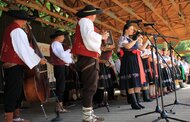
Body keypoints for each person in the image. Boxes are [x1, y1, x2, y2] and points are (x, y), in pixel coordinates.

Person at [0, 10, 46, 122]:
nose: (26, 22)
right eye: (26, 20)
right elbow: (24, 50)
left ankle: (16, 117)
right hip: (14, 65)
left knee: (17, 91)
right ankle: (9, 119)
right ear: (24, 20)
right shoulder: (17, 31)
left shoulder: (11, 28)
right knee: (13, 92)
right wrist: (39, 60)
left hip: (13, 64)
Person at [71, 5, 109, 122]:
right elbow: (89, 37)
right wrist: (101, 36)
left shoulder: (84, 21)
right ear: (92, 15)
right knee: (90, 87)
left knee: (90, 86)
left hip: (87, 58)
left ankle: (89, 114)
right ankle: (87, 117)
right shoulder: (86, 21)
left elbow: (88, 37)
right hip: (88, 58)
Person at [118, 21, 149, 109]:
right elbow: (127, 47)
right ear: (126, 30)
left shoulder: (131, 39)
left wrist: (148, 40)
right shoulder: (122, 38)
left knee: (137, 81)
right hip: (128, 61)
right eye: (131, 29)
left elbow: (142, 48)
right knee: (130, 82)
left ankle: (138, 102)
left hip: (135, 61)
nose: (132, 31)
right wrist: (136, 39)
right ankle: (133, 103)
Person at [49, 30, 73, 113]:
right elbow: (62, 55)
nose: (63, 38)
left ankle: (60, 106)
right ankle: (59, 107)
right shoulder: (55, 44)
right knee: (60, 86)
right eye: (62, 36)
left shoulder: (58, 44)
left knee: (61, 86)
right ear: (58, 36)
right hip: (59, 66)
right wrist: (70, 50)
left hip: (61, 66)